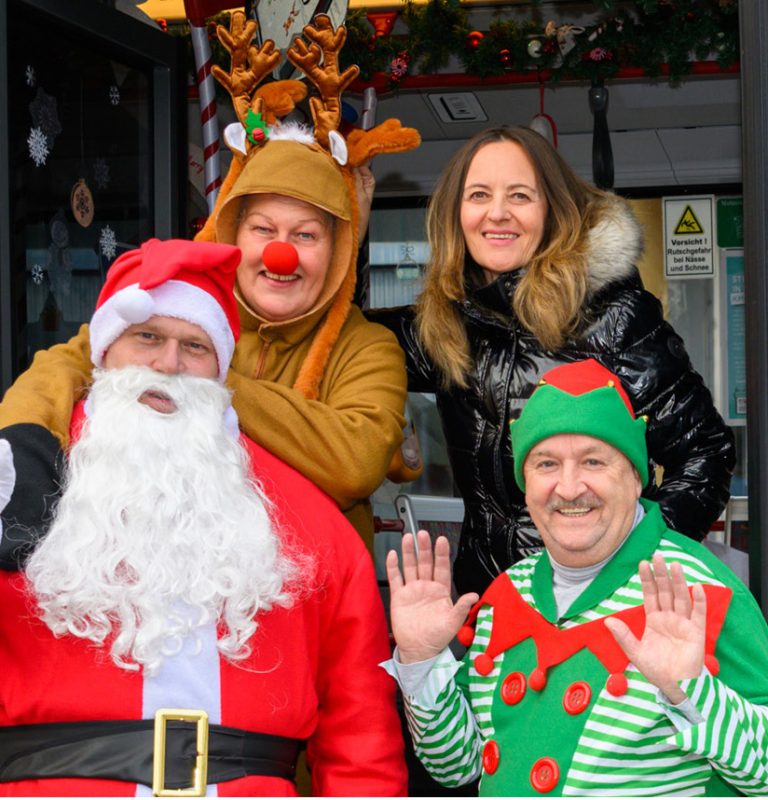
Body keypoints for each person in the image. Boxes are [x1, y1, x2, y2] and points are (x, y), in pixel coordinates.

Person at [0, 238, 407, 796]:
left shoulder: (308, 521)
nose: (169, 365)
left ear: (221, 367)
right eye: (147, 337)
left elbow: (360, 738)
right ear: (102, 351)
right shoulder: (20, 481)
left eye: (195, 346)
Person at [0, 11, 421, 548]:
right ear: (231, 236)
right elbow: (64, 364)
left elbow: (357, 459)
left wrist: (204, 381)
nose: (281, 254)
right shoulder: (172, 306)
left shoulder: (367, 347)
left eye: (306, 235)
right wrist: (26, 448)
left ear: (337, 252)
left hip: (309, 585)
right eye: (263, 228)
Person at [371, 125, 735, 596]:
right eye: (478, 194)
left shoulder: (609, 315)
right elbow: (341, 333)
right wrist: (349, 221)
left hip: (592, 616)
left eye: (520, 195)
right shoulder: (446, 326)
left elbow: (707, 452)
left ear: (552, 210)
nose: (497, 213)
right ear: (454, 213)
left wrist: (626, 569)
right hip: (485, 609)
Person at [383, 358, 768, 797]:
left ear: (635, 477)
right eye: (546, 464)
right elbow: (456, 765)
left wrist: (691, 695)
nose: (568, 488)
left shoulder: (702, 590)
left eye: (593, 461)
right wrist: (421, 661)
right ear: (524, 483)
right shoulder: (506, 594)